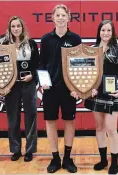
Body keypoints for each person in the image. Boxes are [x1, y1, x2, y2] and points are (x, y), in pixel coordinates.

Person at [39, 4, 82, 173]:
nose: (61, 18)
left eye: (64, 15)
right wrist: (43, 81)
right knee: (50, 122)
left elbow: (80, 64)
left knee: (69, 121)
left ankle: (67, 158)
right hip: (50, 89)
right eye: (58, 15)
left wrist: (77, 86)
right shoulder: (46, 39)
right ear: (53, 17)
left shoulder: (75, 39)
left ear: (68, 18)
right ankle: (55, 158)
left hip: (69, 89)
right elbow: (41, 63)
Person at [84, 20, 118, 175]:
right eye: (103, 30)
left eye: (109, 30)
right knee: (99, 128)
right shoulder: (92, 50)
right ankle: (103, 160)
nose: (106, 33)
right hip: (96, 95)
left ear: (113, 32)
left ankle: (114, 162)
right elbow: (87, 74)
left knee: (111, 128)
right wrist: (90, 89)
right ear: (99, 32)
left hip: (112, 94)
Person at [1, 16, 39, 162]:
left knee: (31, 117)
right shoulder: (4, 44)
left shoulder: (31, 43)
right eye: (13, 27)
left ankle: (30, 150)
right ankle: (15, 150)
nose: (16, 29)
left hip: (28, 85)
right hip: (11, 87)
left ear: (22, 27)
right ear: (10, 29)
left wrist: (32, 76)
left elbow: (38, 64)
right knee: (13, 118)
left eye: (18, 26)